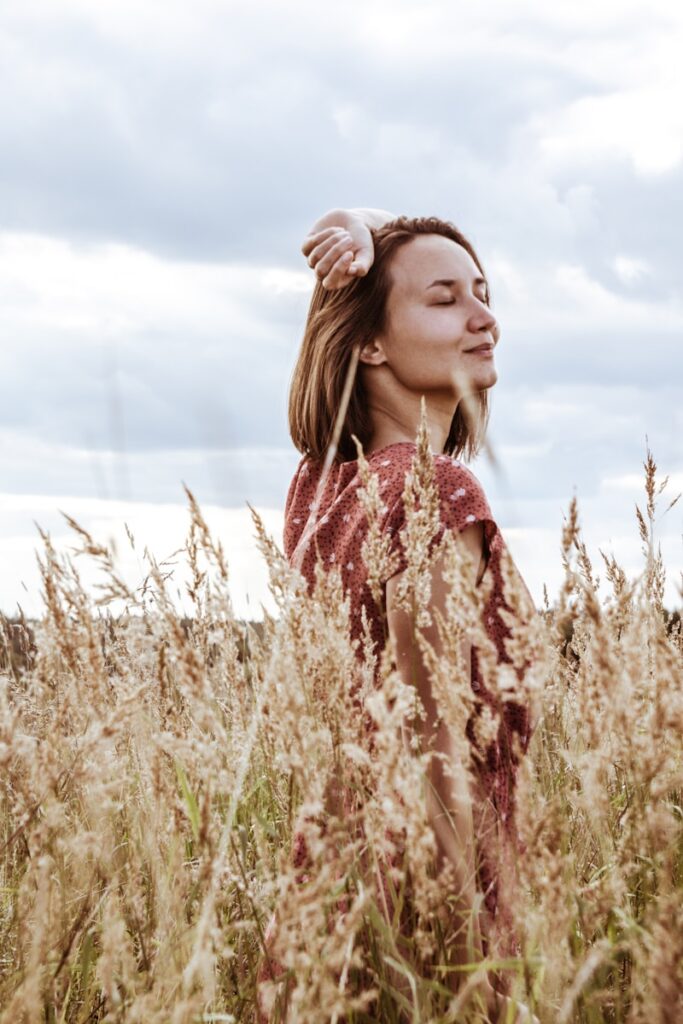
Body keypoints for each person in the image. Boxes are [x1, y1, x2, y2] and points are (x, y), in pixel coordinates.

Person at [257, 208, 539, 1023]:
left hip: (330, 877)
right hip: (423, 902)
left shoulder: (319, 484)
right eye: (445, 300)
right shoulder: (435, 495)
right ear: (370, 343)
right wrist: (465, 960)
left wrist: (365, 229)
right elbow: (434, 741)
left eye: (483, 294)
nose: (484, 318)